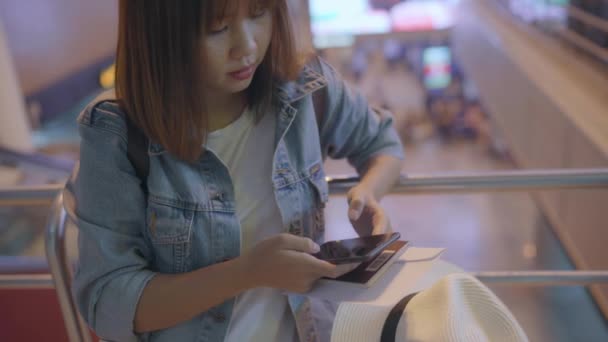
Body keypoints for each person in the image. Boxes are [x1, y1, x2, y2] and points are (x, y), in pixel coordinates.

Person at [63, 0, 404, 341]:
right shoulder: (117, 132)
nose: (247, 46)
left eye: (259, 14)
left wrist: (369, 192)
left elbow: (382, 143)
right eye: (217, 27)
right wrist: (247, 273)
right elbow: (107, 299)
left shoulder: (304, 85)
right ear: (159, 32)